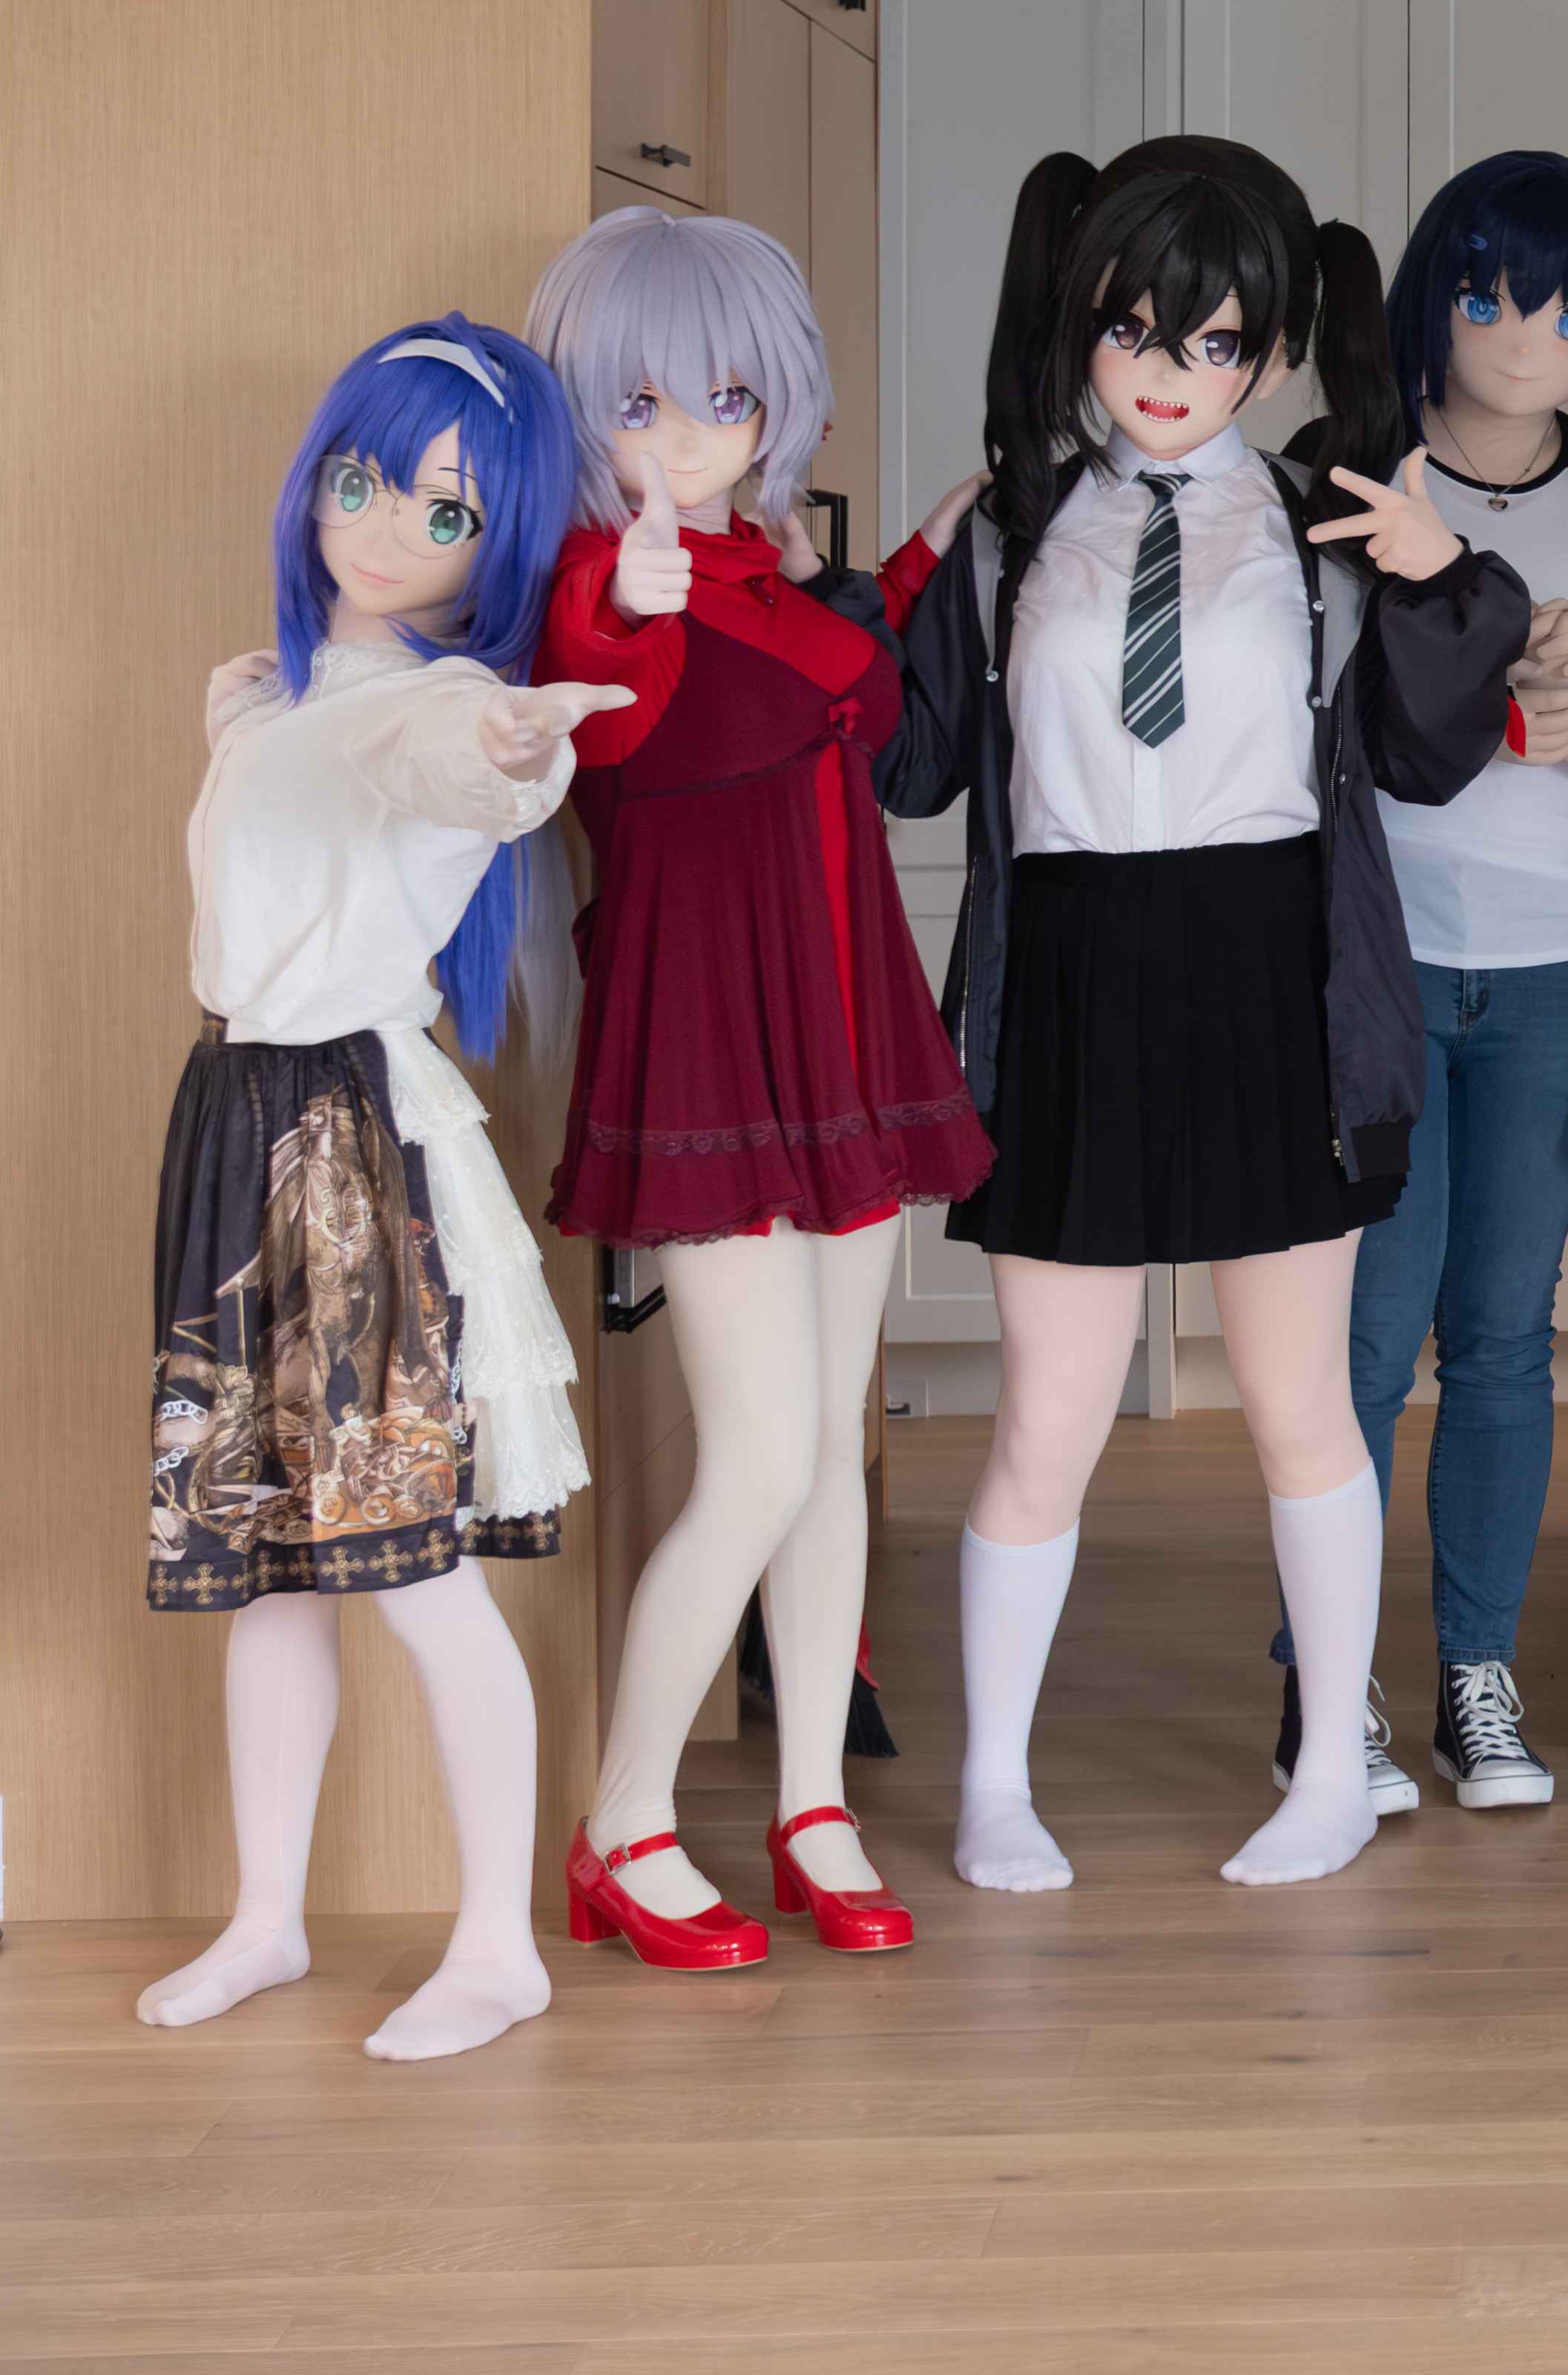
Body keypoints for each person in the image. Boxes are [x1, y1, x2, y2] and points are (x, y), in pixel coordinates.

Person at [876, 141, 1523, 1893]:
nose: (1168, 374)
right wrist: (865, 591)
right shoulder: (1009, 526)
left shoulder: (1325, 524)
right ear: (1079, 322)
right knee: (1048, 1415)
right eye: (1135, 330)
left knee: (1300, 1400)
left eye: (1218, 342)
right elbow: (910, 764)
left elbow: (1428, 754)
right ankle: (994, 1786)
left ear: (1277, 351)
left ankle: (1330, 1774)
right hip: (1070, 966)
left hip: (1269, 964)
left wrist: (1441, 574)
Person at [140, 319, 612, 2061]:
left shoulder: (438, 707)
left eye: (446, 510)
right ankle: (266, 1916)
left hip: (344, 1137)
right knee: (268, 1561)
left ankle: (496, 1944)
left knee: (414, 1564)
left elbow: (468, 768)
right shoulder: (266, 695)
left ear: (498, 546)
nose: (388, 525)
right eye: (364, 479)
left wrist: (521, 746)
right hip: (231, 1111)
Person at [526, 209, 981, 1966]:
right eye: (641, 403)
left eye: (726, 398)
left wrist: (908, 563)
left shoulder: (763, 568)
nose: (689, 437)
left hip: (845, 1030)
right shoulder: (595, 586)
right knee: (765, 1455)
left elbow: (842, 700)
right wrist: (623, 608)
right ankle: (622, 1822)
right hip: (711, 1049)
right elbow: (602, 725)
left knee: (828, 1451)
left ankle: (811, 1806)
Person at [1275, 150, 1568, 1817]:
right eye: (1492, 296)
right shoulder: (1339, 475)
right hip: (1372, 963)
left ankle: (1477, 1681)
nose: (1526, 339)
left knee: (1508, 1339)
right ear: (1433, 301)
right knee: (1364, 1343)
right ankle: (1327, 1690)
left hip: (1562, 965)